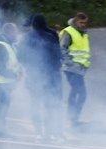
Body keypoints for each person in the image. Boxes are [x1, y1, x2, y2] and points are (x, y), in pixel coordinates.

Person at [18, 14, 63, 142]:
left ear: (33, 24)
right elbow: (58, 55)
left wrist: (30, 65)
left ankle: (38, 132)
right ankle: (52, 133)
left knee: (35, 105)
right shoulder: (52, 35)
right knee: (51, 105)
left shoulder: (26, 38)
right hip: (52, 76)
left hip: (34, 77)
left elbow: (20, 56)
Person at [0, 23, 22, 138]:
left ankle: (0, 129)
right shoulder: (1, 45)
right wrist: (13, 75)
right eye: (15, 32)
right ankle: (0, 130)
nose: (17, 34)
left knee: (4, 105)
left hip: (6, 82)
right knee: (2, 106)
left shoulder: (9, 44)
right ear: (9, 32)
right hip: (1, 82)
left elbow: (13, 62)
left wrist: (18, 73)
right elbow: (0, 67)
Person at [59, 12, 90, 127]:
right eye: (81, 22)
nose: (83, 25)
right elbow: (62, 49)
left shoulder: (84, 34)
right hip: (72, 68)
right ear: (76, 21)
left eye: (85, 23)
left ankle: (72, 118)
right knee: (81, 93)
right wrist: (70, 63)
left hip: (79, 69)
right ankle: (72, 118)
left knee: (77, 92)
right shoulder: (69, 32)